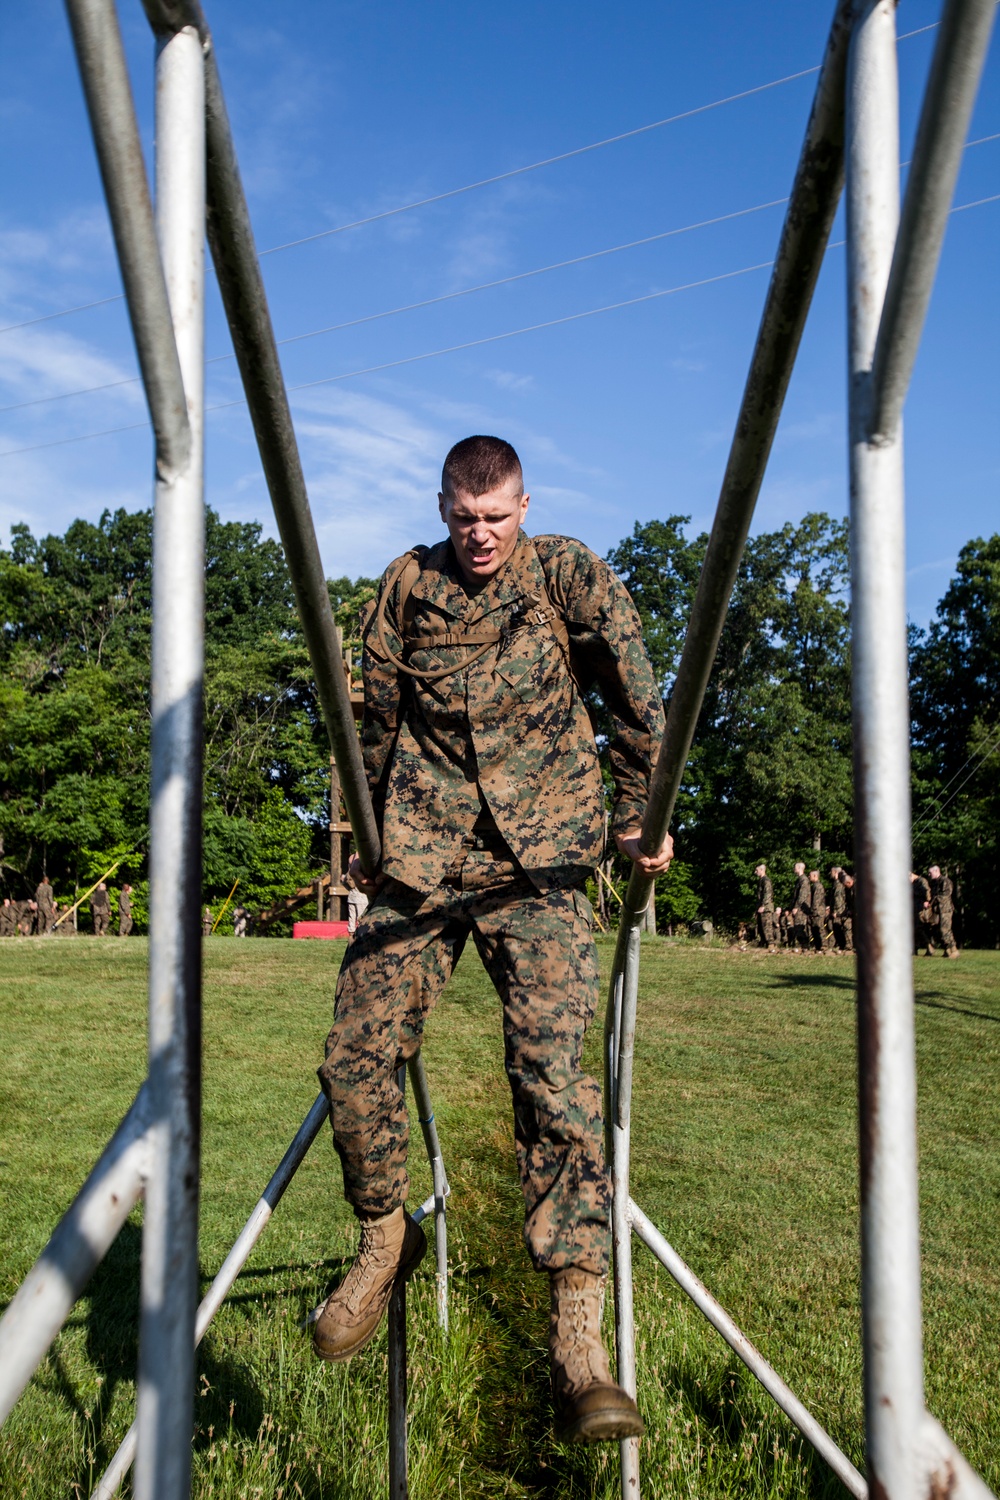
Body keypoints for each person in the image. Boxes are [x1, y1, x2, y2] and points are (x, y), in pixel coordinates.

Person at [314, 435, 668, 1444]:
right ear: (441, 507)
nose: (480, 535)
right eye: (464, 518)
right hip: (425, 855)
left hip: (545, 856)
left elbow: (636, 702)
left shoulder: (566, 573)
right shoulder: (404, 587)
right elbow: (362, 717)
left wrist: (640, 816)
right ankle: (386, 1240)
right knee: (354, 1056)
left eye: (497, 516)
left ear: (524, 504)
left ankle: (577, 1340)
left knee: (555, 1080)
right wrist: (364, 837)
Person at [928, 865, 959, 959]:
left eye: (930, 872)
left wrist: (931, 901)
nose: (929, 875)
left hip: (945, 909)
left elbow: (945, 895)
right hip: (937, 910)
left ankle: (954, 950)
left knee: (945, 929)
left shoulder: (945, 881)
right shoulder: (933, 883)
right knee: (937, 930)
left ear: (937, 871)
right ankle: (947, 950)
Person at [787, 862, 811, 952]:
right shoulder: (799, 880)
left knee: (799, 927)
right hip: (799, 907)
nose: (794, 869)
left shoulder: (804, 880)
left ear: (800, 868)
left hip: (802, 908)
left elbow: (802, 895)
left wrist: (796, 907)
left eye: (795, 867)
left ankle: (805, 945)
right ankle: (804, 945)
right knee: (797, 928)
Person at [754, 863, 775, 951]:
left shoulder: (766, 881)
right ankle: (763, 942)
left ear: (762, 870)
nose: (755, 872)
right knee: (761, 926)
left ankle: (770, 944)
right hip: (761, 907)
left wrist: (763, 905)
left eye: (757, 870)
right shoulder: (761, 881)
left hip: (766, 908)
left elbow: (768, 894)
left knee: (767, 926)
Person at [910, 871, 932, 956]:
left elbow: (927, 891)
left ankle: (928, 946)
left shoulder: (922, 881)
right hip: (915, 908)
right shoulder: (914, 882)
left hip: (920, 909)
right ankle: (915, 948)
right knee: (914, 929)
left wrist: (927, 900)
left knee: (919, 928)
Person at [345, 874, 369, 942]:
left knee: (351, 917)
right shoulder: (360, 871)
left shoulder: (349, 873)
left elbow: (344, 882)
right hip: (361, 897)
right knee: (361, 917)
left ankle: (351, 935)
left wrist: (350, 889)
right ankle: (361, 935)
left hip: (351, 897)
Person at [808, 870, 826, 953]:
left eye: (810, 875)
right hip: (816, 912)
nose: (809, 877)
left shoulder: (818, 886)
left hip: (818, 912)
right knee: (815, 930)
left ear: (815, 876)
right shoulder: (814, 886)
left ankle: (824, 946)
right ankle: (818, 946)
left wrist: (813, 910)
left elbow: (816, 900)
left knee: (820, 929)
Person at [830, 867, 848, 952]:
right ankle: (841, 945)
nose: (831, 874)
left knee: (840, 928)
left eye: (832, 872)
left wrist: (836, 912)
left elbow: (839, 899)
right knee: (836, 929)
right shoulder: (836, 884)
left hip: (840, 911)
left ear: (836, 873)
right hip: (837, 910)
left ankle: (844, 945)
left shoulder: (840, 884)